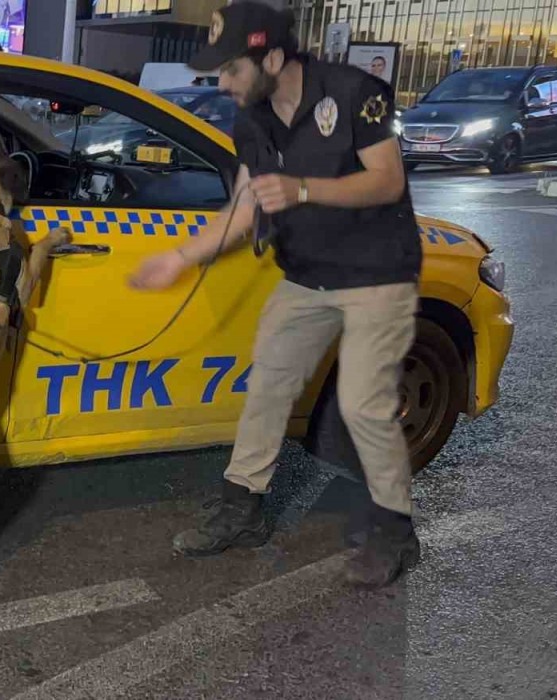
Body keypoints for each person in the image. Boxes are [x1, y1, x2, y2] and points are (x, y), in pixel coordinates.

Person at [128, 1, 422, 588]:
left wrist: (304, 189)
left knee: (363, 404)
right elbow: (244, 207)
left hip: (376, 277)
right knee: (266, 387)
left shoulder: (355, 91)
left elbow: (388, 180)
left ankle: (395, 528)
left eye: (232, 69)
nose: (223, 82)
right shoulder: (252, 119)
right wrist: (180, 259)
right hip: (306, 276)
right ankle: (243, 509)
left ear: (275, 57)